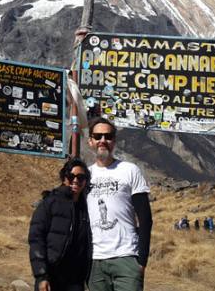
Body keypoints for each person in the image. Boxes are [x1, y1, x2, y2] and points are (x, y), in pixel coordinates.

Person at [86, 116, 152, 291]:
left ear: (114, 141)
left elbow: (145, 218)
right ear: (90, 141)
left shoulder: (129, 170)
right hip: (94, 261)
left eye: (107, 137)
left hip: (126, 257)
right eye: (98, 136)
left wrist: (141, 260)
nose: (103, 141)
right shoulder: (84, 176)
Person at [28, 158, 92, 291]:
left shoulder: (87, 206)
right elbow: (36, 239)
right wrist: (41, 275)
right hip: (52, 275)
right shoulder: (50, 202)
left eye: (80, 177)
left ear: (85, 181)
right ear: (64, 178)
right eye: (71, 176)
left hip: (75, 279)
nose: (75, 181)